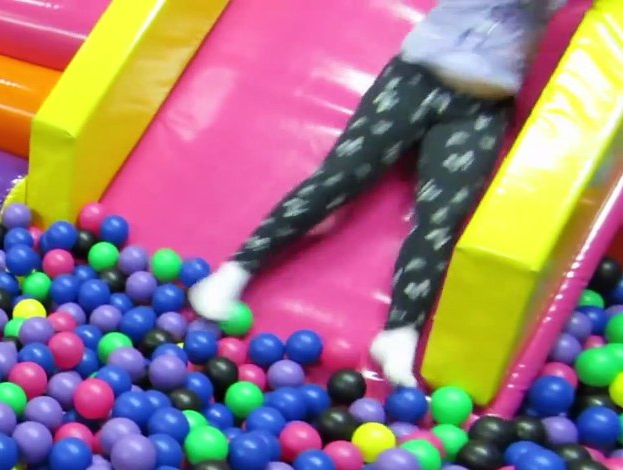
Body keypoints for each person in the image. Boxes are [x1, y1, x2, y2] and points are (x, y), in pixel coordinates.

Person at [189, 0, 567, 389]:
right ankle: (237, 268)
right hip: (416, 77)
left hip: (482, 107)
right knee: (340, 177)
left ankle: (401, 331)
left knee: (441, 219)